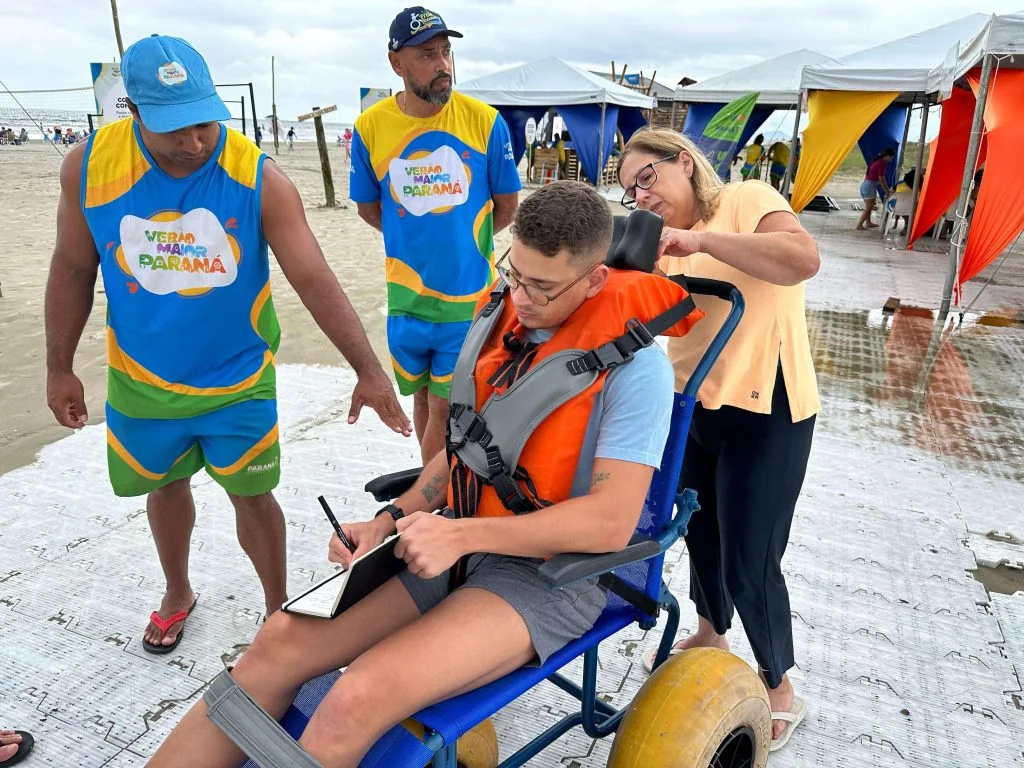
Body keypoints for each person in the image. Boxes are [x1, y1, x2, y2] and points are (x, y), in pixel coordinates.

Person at [147, 179, 701, 768]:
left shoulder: (636, 369)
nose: (523, 299)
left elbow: (610, 525)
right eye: (515, 275)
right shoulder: (510, 323)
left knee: (355, 696)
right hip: (455, 543)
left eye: (543, 286)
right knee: (277, 644)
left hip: (553, 577)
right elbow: (471, 449)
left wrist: (460, 535)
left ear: (594, 279)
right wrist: (391, 520)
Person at [45, 34, 411, 655]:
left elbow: (314, 276)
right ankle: (177, 591)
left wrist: (369, 371)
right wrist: (59, 368)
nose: (193, 142)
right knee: (164, 487)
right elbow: (73, 269)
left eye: (203, 123)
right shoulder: (87, 167)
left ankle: (277, 613)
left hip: (237, 378)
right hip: (141, 379)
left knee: (252, 494)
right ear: (132, 112)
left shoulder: (256, 175)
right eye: (173, 129)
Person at [618, 128, 820, 752]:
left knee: (750, 557)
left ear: (684, 161)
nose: (641, 196)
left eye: (647, 178)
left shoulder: (746, 197)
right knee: (696, 528)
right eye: (628, 191)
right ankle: (711, 631)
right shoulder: (662, 244)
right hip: (696, 404)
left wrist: (700, 239)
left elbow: (801, 258)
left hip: (770, 404)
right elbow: (653, 322)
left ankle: (779, 686)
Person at [350, 6, 521, 464]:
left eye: (446, 51)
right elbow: (369, 208)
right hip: (405, 298)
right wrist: (416, 237)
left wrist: (460, 242)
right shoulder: (370, 128)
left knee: (447, 406)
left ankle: (421, 506)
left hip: (468, 297)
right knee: (423, 399)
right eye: (427, 54)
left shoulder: (485, 122)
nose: (443, 64)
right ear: (396, 64)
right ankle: (430, 488)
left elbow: (507, 207)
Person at [856, 147, 895, 230]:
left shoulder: (877, 161)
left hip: (866, 185)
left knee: (869, 206)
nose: (891, 160)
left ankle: (868, 223)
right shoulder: (881, 163)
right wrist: (887, 191)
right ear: (887, 156)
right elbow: (882, 179)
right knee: (869, 208)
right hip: (869, 187)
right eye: (891, 158)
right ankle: (859, 225)